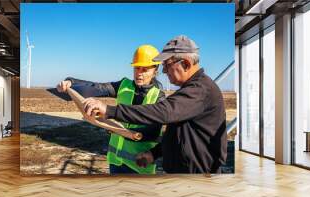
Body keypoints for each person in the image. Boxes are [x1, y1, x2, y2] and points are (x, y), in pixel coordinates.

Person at [83, 35, 227, 174]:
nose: (164, 71)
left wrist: (109, 110)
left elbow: (163, 112)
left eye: (167, 65)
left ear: (186, 64)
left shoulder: (201, 90)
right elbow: (176, 135)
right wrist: (154, 153)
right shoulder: (190, 90)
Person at [57, 45, 165, 174]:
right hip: (115, 162)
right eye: (137, 68)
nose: (139, 73)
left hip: (140, 165)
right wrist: (72, 82)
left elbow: (152, 132)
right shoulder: (123, 85)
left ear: (155, 70)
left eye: (145, 69)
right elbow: (97, 87)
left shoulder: (159, 97)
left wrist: (117, 129)